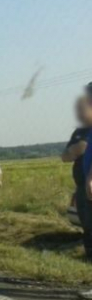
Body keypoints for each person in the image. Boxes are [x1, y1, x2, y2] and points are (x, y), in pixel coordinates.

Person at [63, 95, 92, 258]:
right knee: (87, 226)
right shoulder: (81, 131)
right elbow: (64, 156)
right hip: (82, 186)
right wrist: (75, 150)